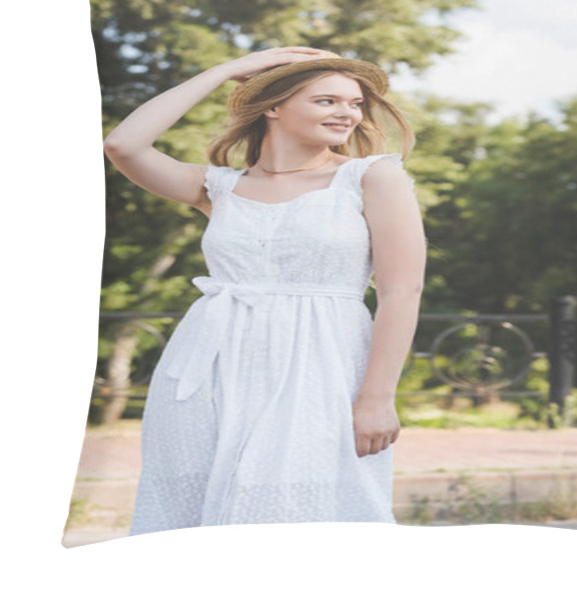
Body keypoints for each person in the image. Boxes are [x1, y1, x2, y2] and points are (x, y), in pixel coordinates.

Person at [103, 46, 426, 533]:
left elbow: (403, 290)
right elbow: (123, 146)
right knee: (188, 511)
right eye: (326, 101)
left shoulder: (371, 177)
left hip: (321, 368)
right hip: (208, 366)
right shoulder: (219, 187)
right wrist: (224, 71)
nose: (347, 113)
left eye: (355, 103)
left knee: (306, 512)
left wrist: (377, 397)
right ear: (273, 106)